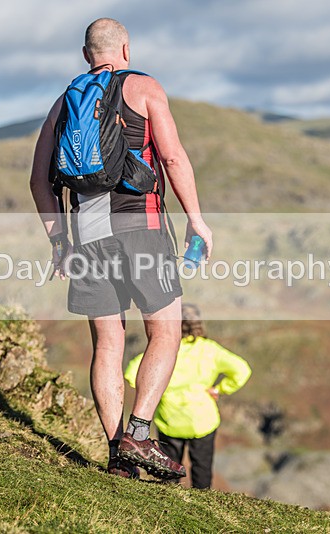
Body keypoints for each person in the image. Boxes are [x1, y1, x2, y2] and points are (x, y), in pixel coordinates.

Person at [29, 18, 213, 479]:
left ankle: (117, 457)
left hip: (88, 237)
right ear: (125, 49)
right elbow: (171, 158)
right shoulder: (145, 88)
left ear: (85, 53)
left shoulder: (63, 104)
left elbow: (38, 180)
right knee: (166, 332)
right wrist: (196, 219)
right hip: (143, 226)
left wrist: (59, 243)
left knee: (108, 342)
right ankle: (139, 433)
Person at [124, 304, 251, 488]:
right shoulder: (210, 350)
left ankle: (168, 501)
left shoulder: (166, 351)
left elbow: (130, 372)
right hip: (202, 421)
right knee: (202, 468)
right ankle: (204, 503)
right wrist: (220, 389)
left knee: (168, 471)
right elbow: (242, 370)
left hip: (170, 419)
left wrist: (154, 391)